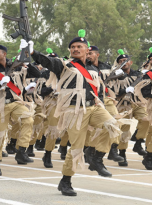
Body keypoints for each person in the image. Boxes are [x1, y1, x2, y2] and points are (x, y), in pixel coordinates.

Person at [23, 29, 122, 196]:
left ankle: (96, 158)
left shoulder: (93, 68)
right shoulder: (64, 65)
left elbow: (97, 88)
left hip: (94, 106)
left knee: (112, 125)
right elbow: (46, 61)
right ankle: (66, 180)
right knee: (76, 148)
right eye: (73, 47)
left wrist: (101, 102)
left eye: (79, 46)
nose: (75, 49)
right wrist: (32, 51)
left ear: (87, 49)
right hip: (75, 111)